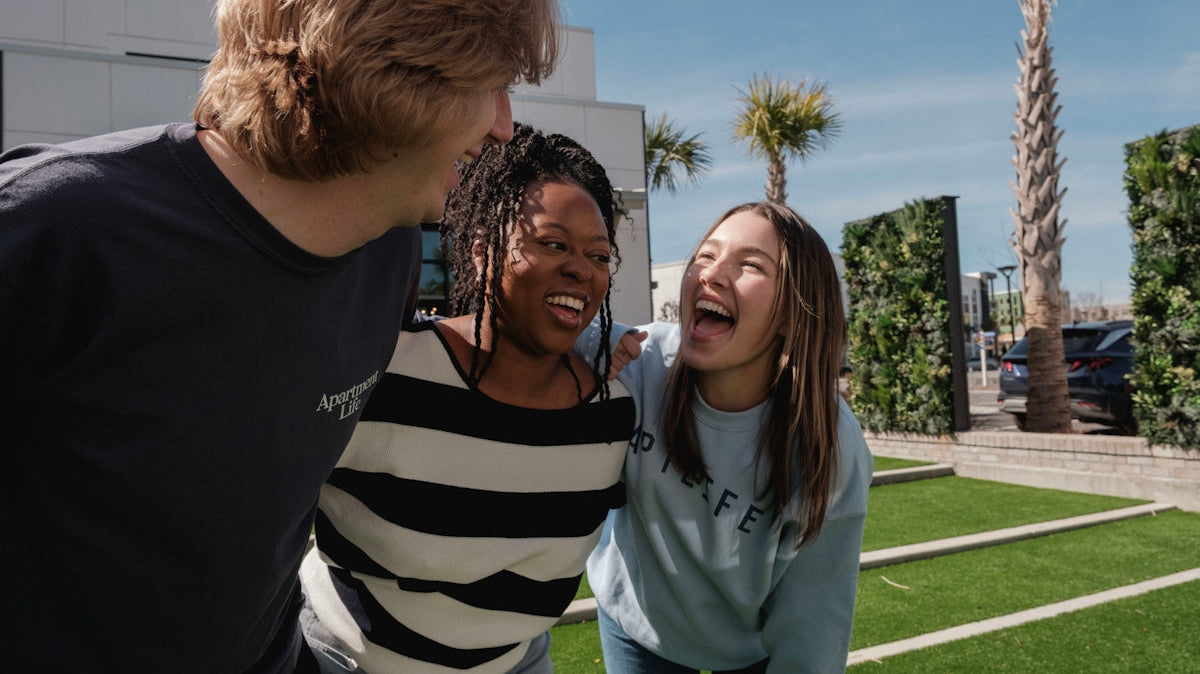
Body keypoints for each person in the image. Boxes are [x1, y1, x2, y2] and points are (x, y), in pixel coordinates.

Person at [0, 1, 560, 671]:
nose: (503, 126)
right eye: (490, 86)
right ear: (398, 75)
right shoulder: (54, 226)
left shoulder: (391, 251)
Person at [299, 123, 636, 673]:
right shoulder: (388, 371)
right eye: (552, 243)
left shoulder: (610, 413)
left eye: (598, 256)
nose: (580, 268)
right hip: (345, 661)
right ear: (481, 251)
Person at [582, 202, 874, 673]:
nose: (712, 274)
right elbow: (545, 333)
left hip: (746, 648)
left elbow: (813, 633)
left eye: (751, 265)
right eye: (707, 255)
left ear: (791, 314)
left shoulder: (831, 444)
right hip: (634, 624)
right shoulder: (638, 360)